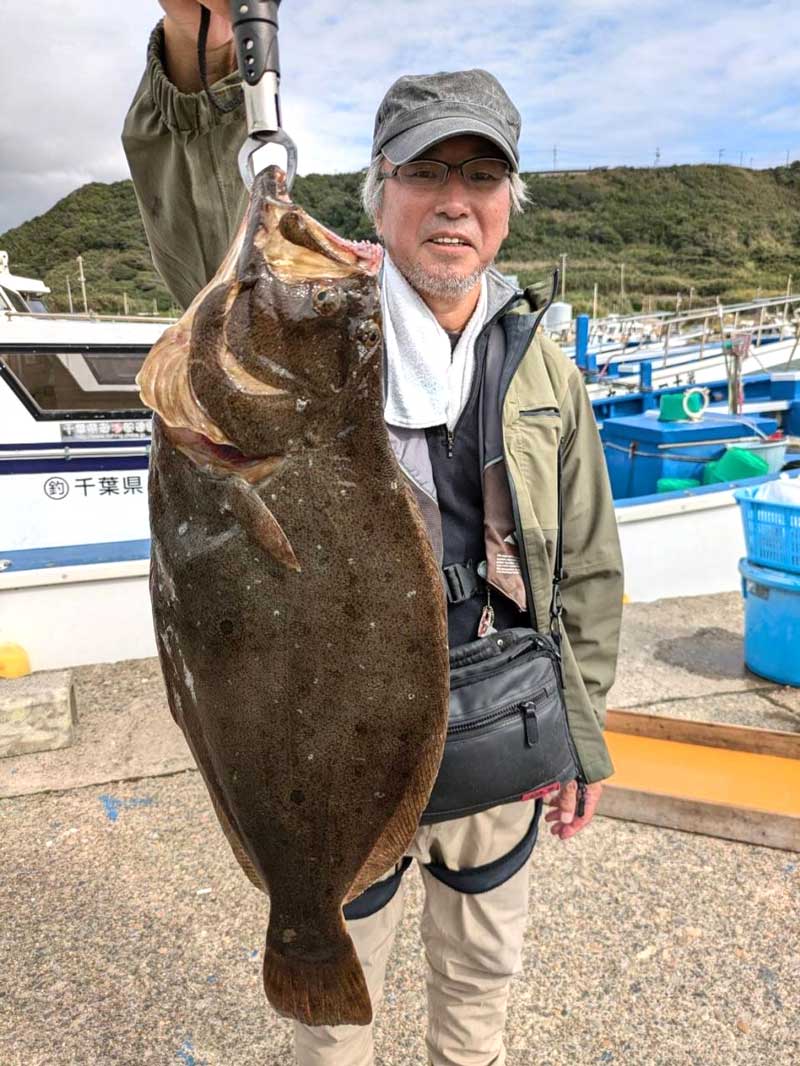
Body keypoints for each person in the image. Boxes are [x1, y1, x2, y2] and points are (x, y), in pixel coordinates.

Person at [123, 6, 623, 1064]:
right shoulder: (313, 316)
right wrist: (198, 61)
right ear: (379, 191)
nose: (453, 200)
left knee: (481, 977)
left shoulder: (542, 363)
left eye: (480, 176)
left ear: (508, 204)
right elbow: (202, 209)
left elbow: (583, 562)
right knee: (331, 1021)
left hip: (500, 712)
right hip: (334, 719)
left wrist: (581, 733)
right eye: (423, 172)